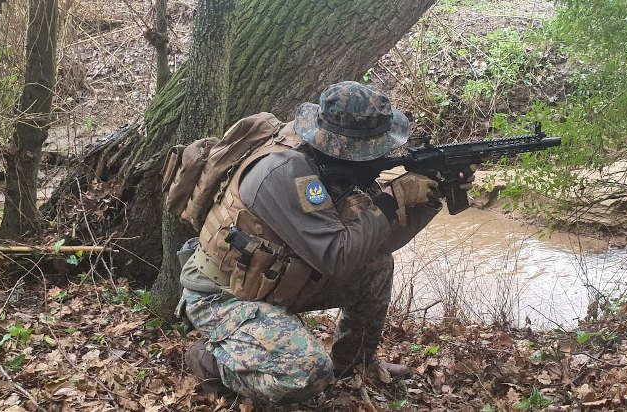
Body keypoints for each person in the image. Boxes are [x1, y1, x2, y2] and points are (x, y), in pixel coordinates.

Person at [177, 81, 475, 404]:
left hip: (270, 283)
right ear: (347, 149)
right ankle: (209, 363)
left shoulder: (326, 162)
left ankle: (356, 364)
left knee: (377, 266)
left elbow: (377, 243)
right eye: (374, 151)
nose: (381, 156)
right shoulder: (285, 172)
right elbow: (338, 257)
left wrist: (431, 195)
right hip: (222, 297)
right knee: (308, 371)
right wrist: (391, 199)